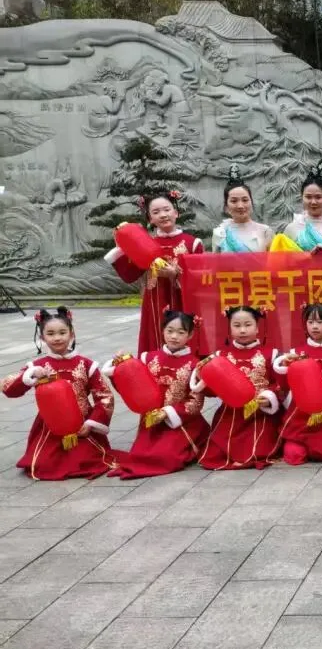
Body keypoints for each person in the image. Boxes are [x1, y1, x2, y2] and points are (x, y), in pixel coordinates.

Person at [1, 307, 115, 480]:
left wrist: (92, 423)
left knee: (88, 459)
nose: (57, 338)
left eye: (62, 332)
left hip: (82, 425)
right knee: (44, 464)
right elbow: (9, 387)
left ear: (72, 334)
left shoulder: (86, 364)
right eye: (50, 333)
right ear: (42, 337)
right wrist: (30, 374)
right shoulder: (37, 366)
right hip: (50, 426)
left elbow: (104, 396)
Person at [106, 310, 208, 478]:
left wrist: (167, 413)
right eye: (170, 331)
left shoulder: (194, 365)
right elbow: (132, 387)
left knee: (167, 456)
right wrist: (121, 365)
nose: (174, 336)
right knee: (142, 455)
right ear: (162, 331)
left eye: (181, 332)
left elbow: (195, 402)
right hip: (151, 423)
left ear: (190, 335)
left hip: (181, 424)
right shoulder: (148, 358)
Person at [104, 190, 203, 354]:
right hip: (155, 301)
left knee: (184, 334)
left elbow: (201, 279)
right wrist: (124, 246)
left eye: (167, 209)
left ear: (176, 212)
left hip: (183, 301)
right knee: (156, 338)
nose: (163, 215)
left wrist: (177, 275)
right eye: (156, 212)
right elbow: (130, 274)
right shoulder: (143, 243)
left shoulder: (192, 243)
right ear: (150, 219)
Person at [193, 306, 281, 470]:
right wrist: (201, 376)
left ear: (257, 327)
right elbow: (212, 391)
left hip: (260, 414)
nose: (242, 330)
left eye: (248, 325)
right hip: (230, 414)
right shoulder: (220, 356)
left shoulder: (271, 354)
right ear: (230, 328)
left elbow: (280, 385)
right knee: (214, 454)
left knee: (257, 449)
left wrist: (269, 397)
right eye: (237, 325)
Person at [272, 303, 322, 466]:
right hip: (301, 414)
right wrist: (284, 367)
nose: (314, 326)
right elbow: (284, 386)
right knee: (294, 455)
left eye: (320, 322)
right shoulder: (296, 353)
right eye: (310, 322)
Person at [211, 166, 273, 253]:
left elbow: (273, 260)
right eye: (234, 201)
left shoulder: (265, 231)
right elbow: (215, 260)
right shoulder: (221, 233)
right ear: (226, 206)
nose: (240, 206)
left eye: (245, 200)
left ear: (251, 202)